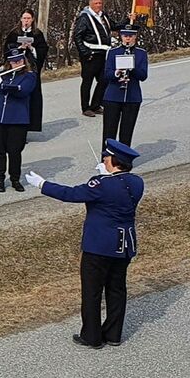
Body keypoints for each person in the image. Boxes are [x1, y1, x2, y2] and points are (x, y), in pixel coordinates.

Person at [25, 139, 144, 349]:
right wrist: (104, 177)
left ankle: (92, 336)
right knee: (117, 289)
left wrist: (44, 184)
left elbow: (71, 194)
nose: (104, 161)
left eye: (106, 158)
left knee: (92, 291)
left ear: (113, 161)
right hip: (124, 244)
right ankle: (114, 333)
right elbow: (118, 190)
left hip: (99, 246)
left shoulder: (101, 185)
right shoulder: (137, 182)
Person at [0, 49, 37, 192]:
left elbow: (22, 91)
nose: (16, 63)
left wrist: (1, 84)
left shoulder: (30, 76)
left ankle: (15, 179)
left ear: (24, 61)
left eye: (19, 60)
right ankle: (0, 179)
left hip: (17, 119)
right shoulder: (4, 75)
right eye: (13, 61)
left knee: (14, 151)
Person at [102, 28, 148, 149]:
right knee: (109, 131)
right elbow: (106, 74)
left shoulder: (141, 53)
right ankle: (107, 161)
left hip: (132, 97)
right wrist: (116, 73)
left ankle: (123, 161)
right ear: (121, 37)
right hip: (113, 96)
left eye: (130, 36)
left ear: (135, 37)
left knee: (126, 132)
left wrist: (132, 68)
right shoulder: (113, 52)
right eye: (125, 36)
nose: (127, 38)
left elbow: (143, 76)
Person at [3, 10, 49, 132]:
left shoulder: (37, 34)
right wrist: (19, 48)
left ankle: (28, 126)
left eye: (28, 18)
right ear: (21, 19)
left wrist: (31, 48)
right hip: (16, 69)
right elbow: (6, 49)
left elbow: (43, 50)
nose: (26, 21)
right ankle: (13, 125)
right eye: (24, 18)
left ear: (33, 19)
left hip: (31, 69)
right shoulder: (14, 33)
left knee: (31, 98)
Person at [73, 0, 115, 117]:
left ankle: (96, 105)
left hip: (104, 53)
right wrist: (85, 53)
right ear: (90, 3)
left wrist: (128, 20)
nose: (98, 5)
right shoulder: (84, 17)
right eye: (96, 3)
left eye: (100, 3)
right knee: (87, 81)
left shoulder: (104, 16)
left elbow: (114, 26)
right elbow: (77, 36)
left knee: (104, 80)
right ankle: (86, 108)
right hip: (90, 53)